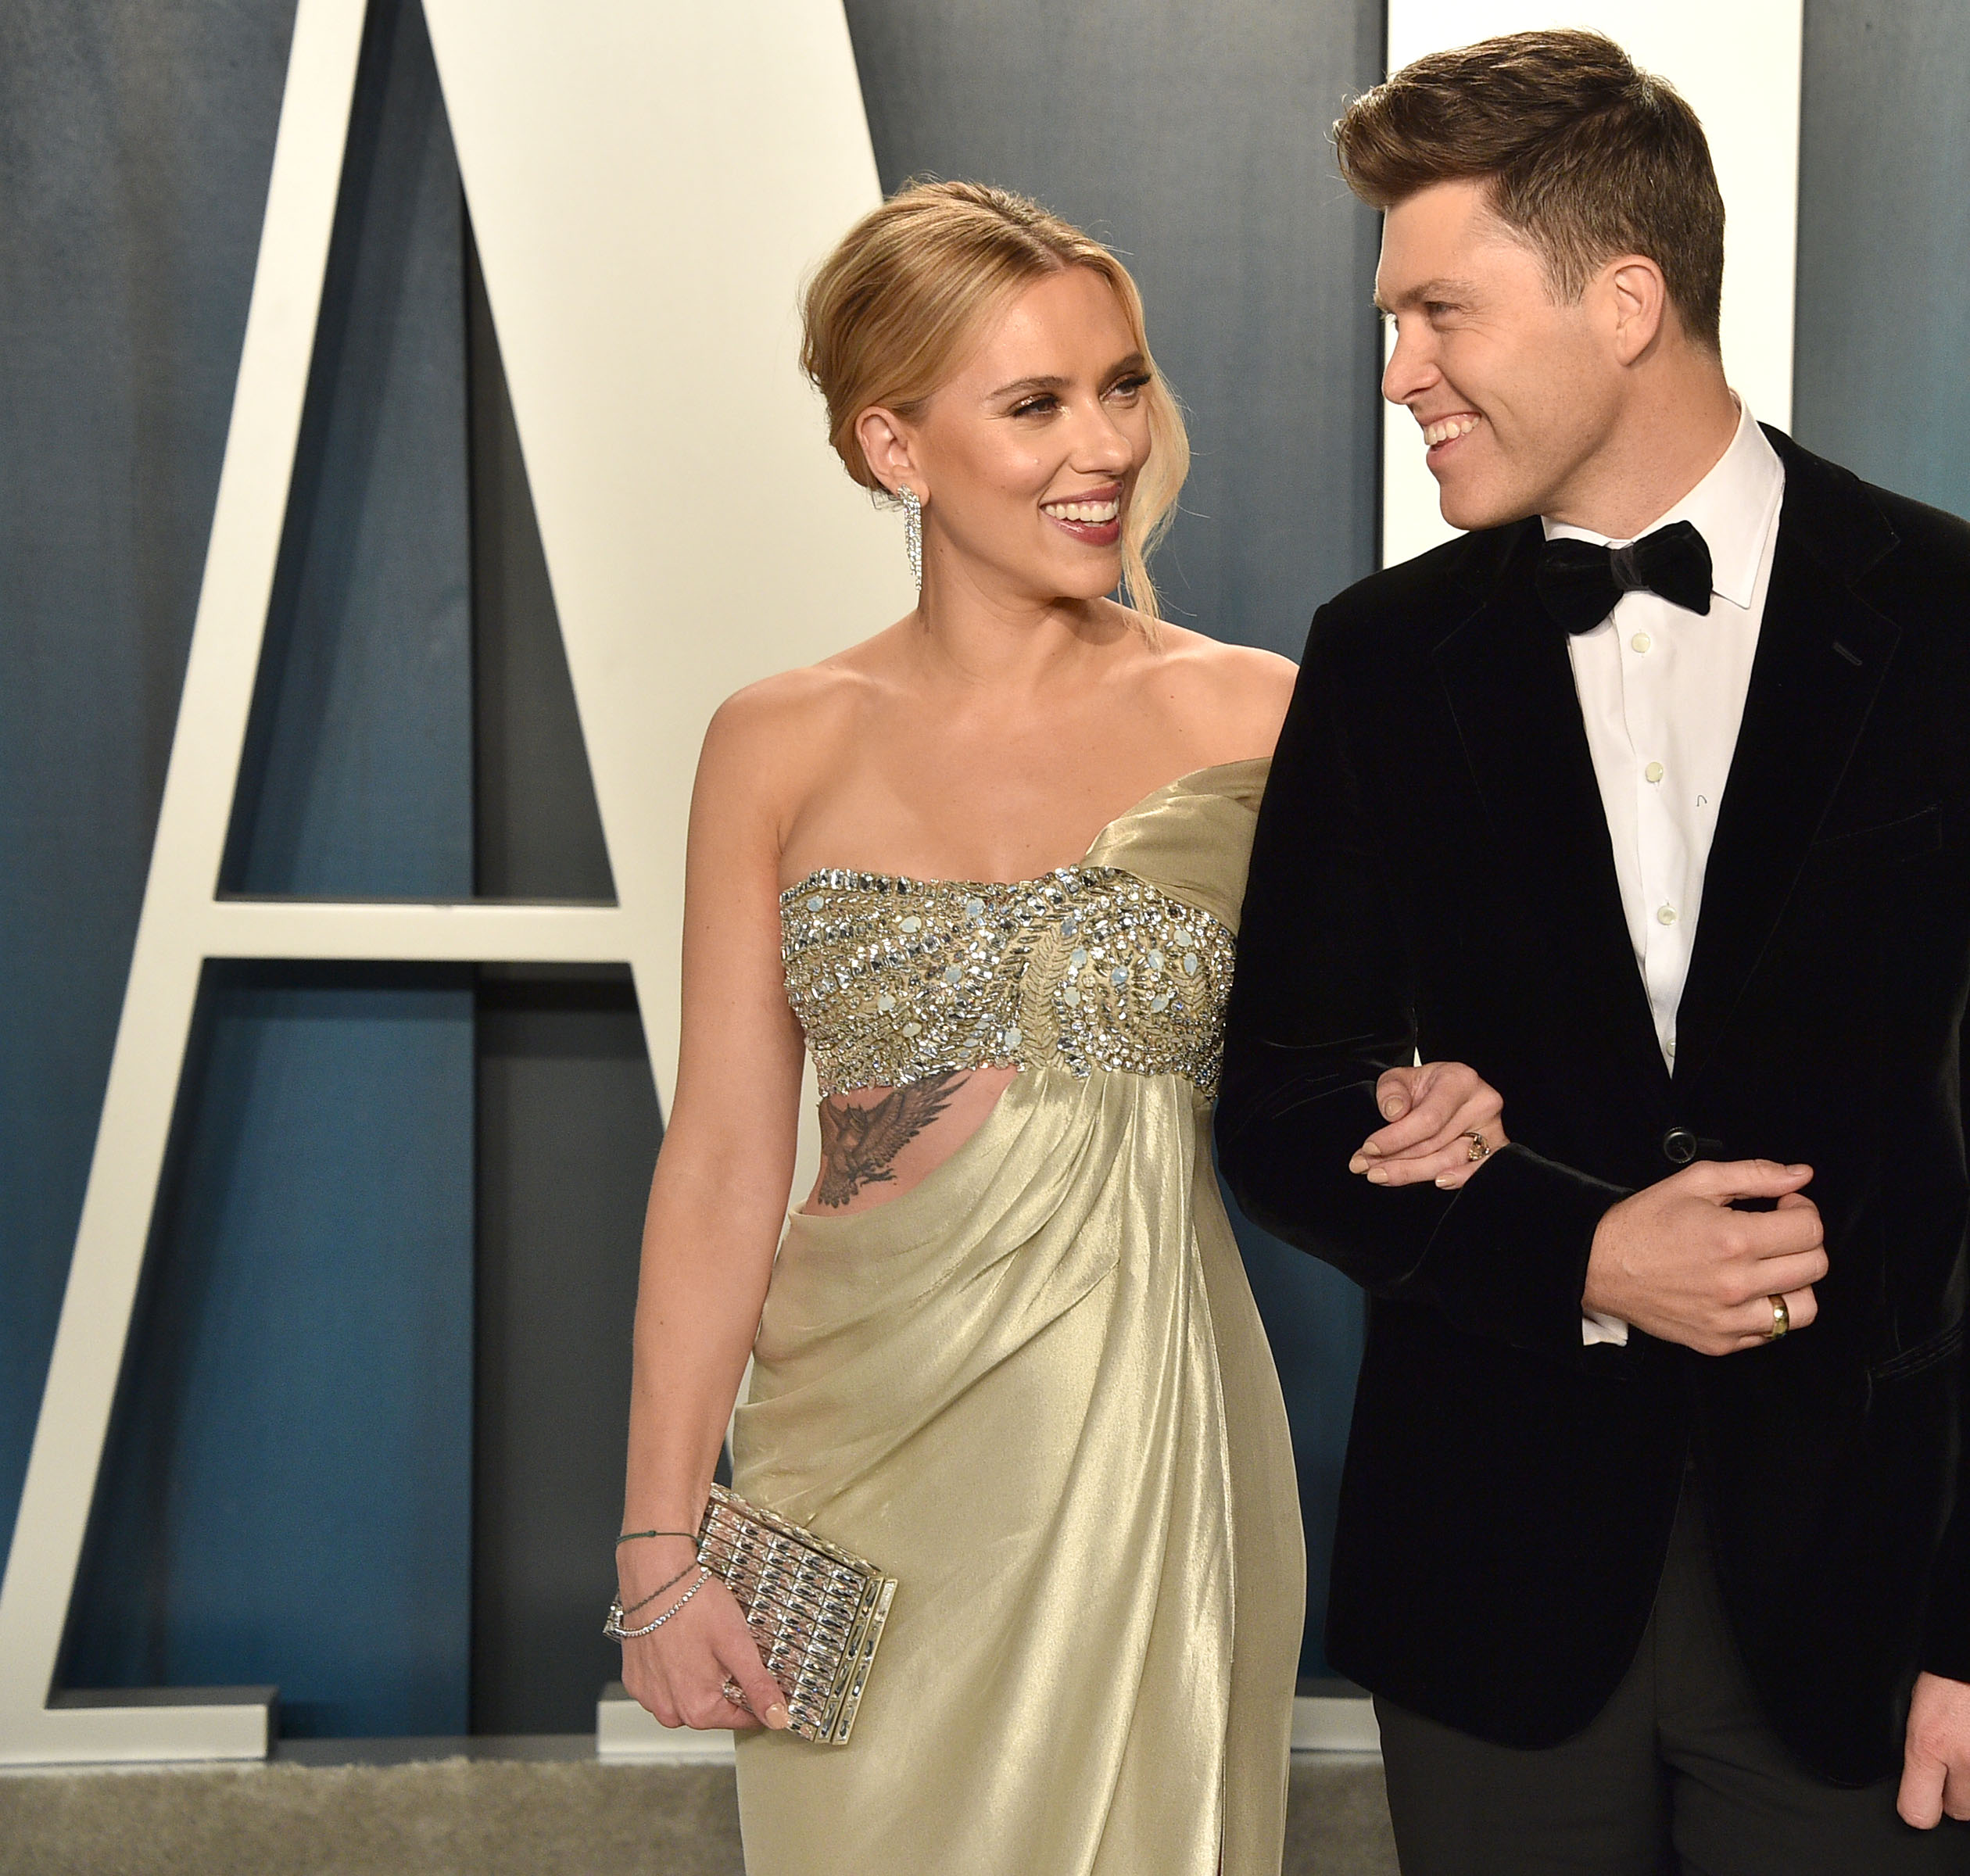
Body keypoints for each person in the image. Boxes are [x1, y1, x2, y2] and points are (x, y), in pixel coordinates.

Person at [1216, 31, 1970, 1876]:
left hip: (1867, 1612)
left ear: (1626, 298)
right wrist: (1573, 1249)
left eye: (1438, 313)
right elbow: (1276, 1102)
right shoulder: (1381, 657)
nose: (1399, 371)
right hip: (1489, 1597)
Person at [611, 180, 1303, 1876]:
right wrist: (656, 1542)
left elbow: (1400, 1057)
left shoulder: (1262, 715)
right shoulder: (776, 740)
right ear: (893, 445)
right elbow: (717, 1163)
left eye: (1123, 383)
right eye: (1037, 403)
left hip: (1147, 1442)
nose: (1106, 446)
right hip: (845, 1455)